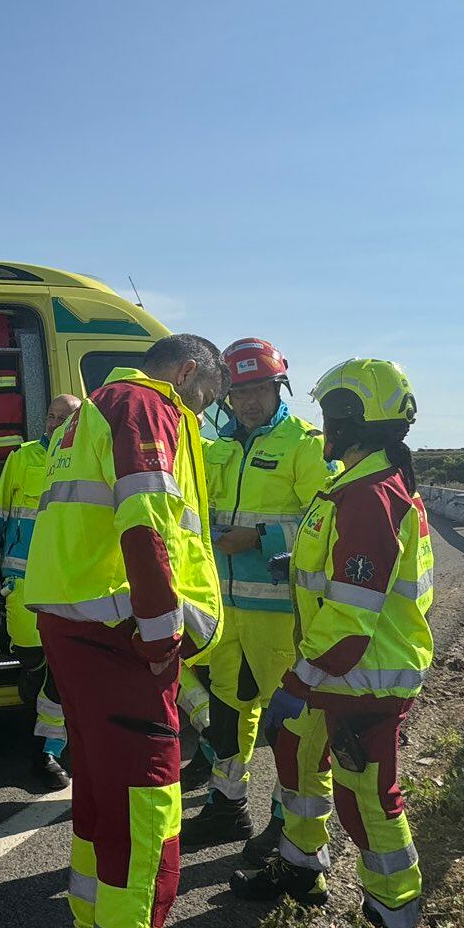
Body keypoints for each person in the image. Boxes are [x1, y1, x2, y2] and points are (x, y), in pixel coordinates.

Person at [22, 333, 228, 928]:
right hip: (122, 642)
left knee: (105, 806)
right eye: (206, 394)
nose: (204, 412)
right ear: (189, 372)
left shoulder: (97, 412)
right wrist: (158, 633)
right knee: (150, 830)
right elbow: (148, 523)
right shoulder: (149, 405)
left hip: (84, 635)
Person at [230, 358, 432, 928]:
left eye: (330, 415)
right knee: (294, 750)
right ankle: (300, 866)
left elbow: (350, 616)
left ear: (349, 417)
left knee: (368, 798)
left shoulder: (369, 495)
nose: (324, 427)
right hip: (341, 673)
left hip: (362, 678)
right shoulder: (357, 485)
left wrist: (297, 682)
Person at [179, 339, 336, 852]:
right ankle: (227, 807)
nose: (249, 401)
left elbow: (330, 524)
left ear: (279, 388)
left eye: (260, 389)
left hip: (278, 611)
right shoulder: (217, 447)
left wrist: (263, 537)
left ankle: (287, 825)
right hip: (225, 608)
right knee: (228, 711)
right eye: (240, 391)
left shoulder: (305, 445)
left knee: (288, 724)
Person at [0, 392, 81, 790]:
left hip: (70, 587)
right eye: (50, 416)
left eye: (64, 418)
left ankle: (48, 750)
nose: (54, 424)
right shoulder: (21, 457)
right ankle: (48, 734)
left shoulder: (88, 461)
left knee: (61, 674)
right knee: (32, 665)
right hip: (22, 587)